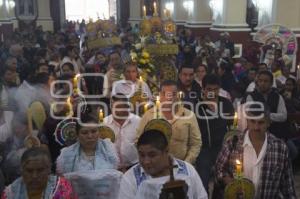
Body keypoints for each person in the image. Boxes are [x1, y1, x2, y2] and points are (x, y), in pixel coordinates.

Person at [213, 104, 296, 199]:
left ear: (268, 122)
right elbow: (219, 169)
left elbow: (287, 185)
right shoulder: (232, 143)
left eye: (261, 122)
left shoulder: (280, 148)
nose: (256, 127)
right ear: (247, 121)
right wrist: (228, 180)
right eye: (252, 121)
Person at [119, 129, 208, 199]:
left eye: (152, 155)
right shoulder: (130, 178)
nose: (146, 161)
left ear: (166, 151)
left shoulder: (188, 170)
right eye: (142, 155)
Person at [137, 80, 201, 164]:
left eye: (173, 94)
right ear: (159, 95)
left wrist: (186, 163)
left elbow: (195, 144)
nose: (169, 97)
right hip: (154, 166)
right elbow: (138, 140)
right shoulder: (149, 115)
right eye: (165, 94)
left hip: (182, 165)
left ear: (177, 95)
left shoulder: (189, 115)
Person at [195, 74, 234, 193]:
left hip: (222, 148)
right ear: (203, 89)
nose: (212, 92)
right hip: (204, 148)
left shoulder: (226, 103)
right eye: (209, 89)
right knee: (203, 181)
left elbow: (232, 124)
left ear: (219, 89)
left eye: (215, 89)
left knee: (223, 181)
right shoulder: (196, 105)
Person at [1, 147, 77, 199]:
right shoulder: (11, 193)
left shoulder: (61, 187)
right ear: (22, 170)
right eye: (29, 171)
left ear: (49, 169)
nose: (34, 176)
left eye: (40, 170)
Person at [245, 70, 287, 139]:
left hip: (276, 133)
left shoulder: (278, 97)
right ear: (257, 82)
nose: (262, 83)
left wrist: (267, 115)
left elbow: (283, 116)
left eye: (265, 81)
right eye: (260, 81)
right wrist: (271, 116)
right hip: (257, 133)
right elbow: (250, 115)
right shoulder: (251, 96)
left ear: (271, 83)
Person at [104, 93, 140, 171]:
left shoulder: (138, 122)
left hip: (134, 166)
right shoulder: (104, 123)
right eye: (112, 106)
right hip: (111, 168)